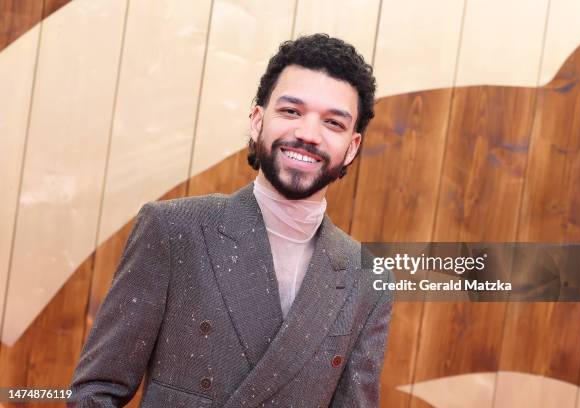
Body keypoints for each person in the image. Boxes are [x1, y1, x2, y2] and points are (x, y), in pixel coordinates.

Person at [70, 33, 393, 408]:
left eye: (333, 123)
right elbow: (93, 393)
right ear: (257, 120)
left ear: (352, 147)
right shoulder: (175, 230)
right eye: (291, 111)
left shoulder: (367, 277)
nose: (308, 134)